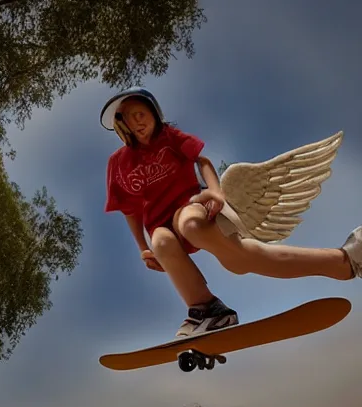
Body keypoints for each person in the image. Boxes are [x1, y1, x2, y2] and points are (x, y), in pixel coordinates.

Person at [99, 87, 362, 337]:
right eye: (130, 120)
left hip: (187, 205)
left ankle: (342, 261)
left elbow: (201, 160)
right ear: (123, 125)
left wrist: (215, 192)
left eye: (141, 115)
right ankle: (207, 309)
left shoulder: (170, 137)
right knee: (161, 242)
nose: (137, 123)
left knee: (198, 229)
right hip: (160, 224)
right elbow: (129, 209)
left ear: (154, 113)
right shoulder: (119, 163)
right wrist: (142, 247)